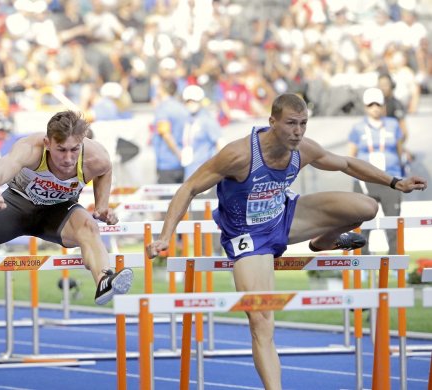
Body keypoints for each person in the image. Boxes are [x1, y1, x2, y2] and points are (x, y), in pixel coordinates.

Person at [146, 94, 426, 389]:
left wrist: (395, 182)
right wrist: (165, 236)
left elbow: (345, 163)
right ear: (272, 122)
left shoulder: (302, 149)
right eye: (291, 124)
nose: (298, 131)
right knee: (262, 320)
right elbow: (189, 187)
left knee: (367, 207)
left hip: (285, 218)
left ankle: (323, 241)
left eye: (303, 124)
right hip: (249, 237)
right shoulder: (239, 154)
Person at [0, 111, 133, 305]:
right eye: (61, 150)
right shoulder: (31, 148)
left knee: (88, 226)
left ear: (82, 143)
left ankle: (105, 279)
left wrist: (102, 206)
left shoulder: (95, 157)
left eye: (74, 149)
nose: (68, 159)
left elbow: (105, 171)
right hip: (15, 207)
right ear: (48, 143)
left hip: (59, 212)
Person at [349, 87, 405, 255]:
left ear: (383, 106)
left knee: (393, 223)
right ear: (366, 107)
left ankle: (396, 265)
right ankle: (362, 263)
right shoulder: (358, 128)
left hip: (391, 179)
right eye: (371, 104)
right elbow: (351, 156)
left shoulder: (393, 124)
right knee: (361, 224)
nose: (375, 107)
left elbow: (399, 150)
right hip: (365, 181)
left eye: (378, 104)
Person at [181, 85, 224, 180]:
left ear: (200, 101)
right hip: (190, 172)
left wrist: (218, 170)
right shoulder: (188, 120)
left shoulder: (207, 120)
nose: (191, 104)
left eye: (194, 101)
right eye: (188, 101)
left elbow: (220, 145)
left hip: (205, 174)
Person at [152, 79, 189, 185]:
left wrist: (178, 153)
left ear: (161, 90)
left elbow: (166, 134)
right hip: (180, 163)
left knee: (166, 200)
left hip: (167, 162)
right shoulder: (182, 108)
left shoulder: (163, 109)